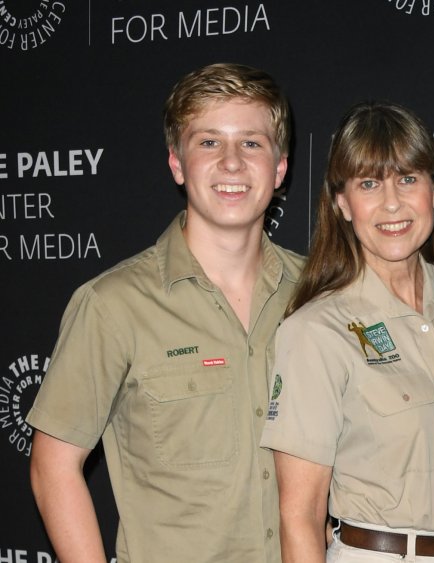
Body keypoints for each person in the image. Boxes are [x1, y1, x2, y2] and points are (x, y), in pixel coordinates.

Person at [26, 63, 302, 562]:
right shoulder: (112, 305)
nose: (233, 163)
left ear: (280, 168)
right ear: (177, 164)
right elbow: (53, 467)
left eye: (252, 143)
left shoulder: (318, 294)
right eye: (209, 142)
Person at [259, 101, 434, 562]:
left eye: (408, 179)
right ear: (342, 203)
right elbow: (301, 515)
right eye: (369, 184)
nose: (392, 203)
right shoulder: (315, 330)